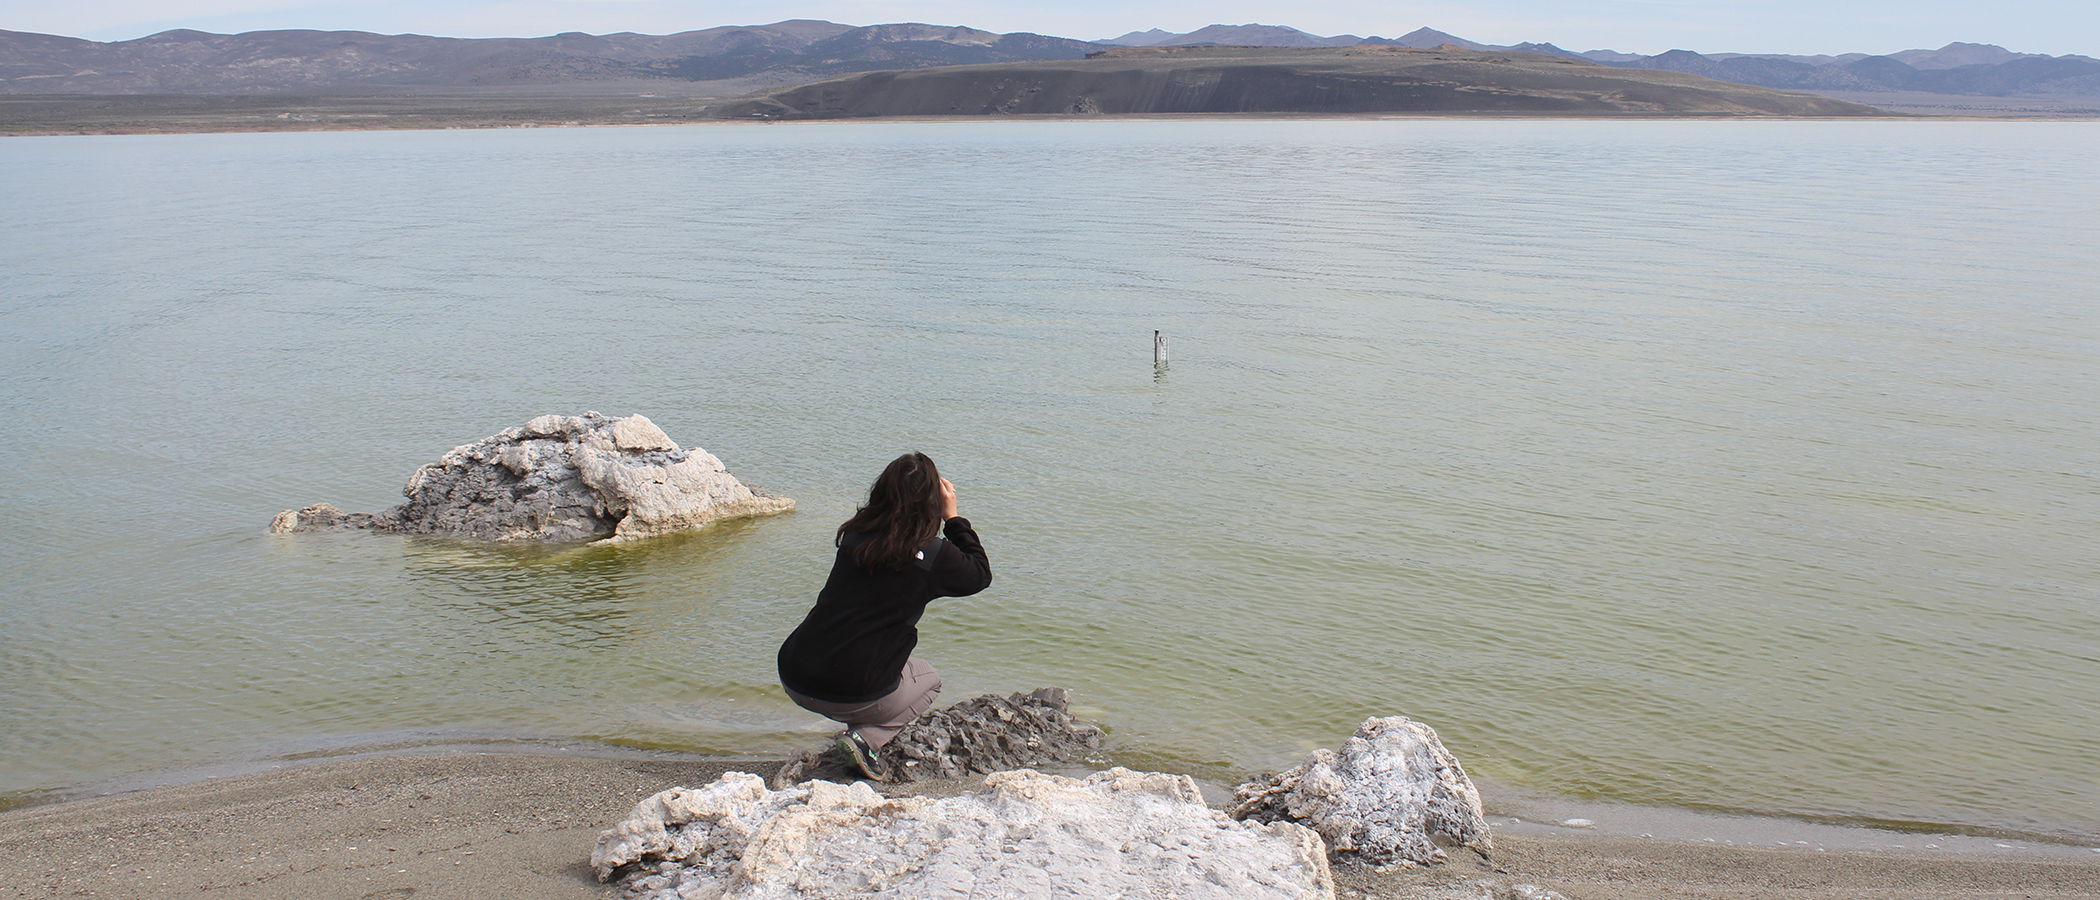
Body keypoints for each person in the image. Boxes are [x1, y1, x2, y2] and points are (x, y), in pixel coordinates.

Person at [776, 452, 993, 780]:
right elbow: (979, 574)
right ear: (933, 502)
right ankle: (866, 739)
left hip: (794, 675)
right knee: (929, 679)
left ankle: (857, 716)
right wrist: (953, 519)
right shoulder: (933, 556)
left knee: (874, 657)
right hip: (851, 691)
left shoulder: (854, 535)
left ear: (880, 492)